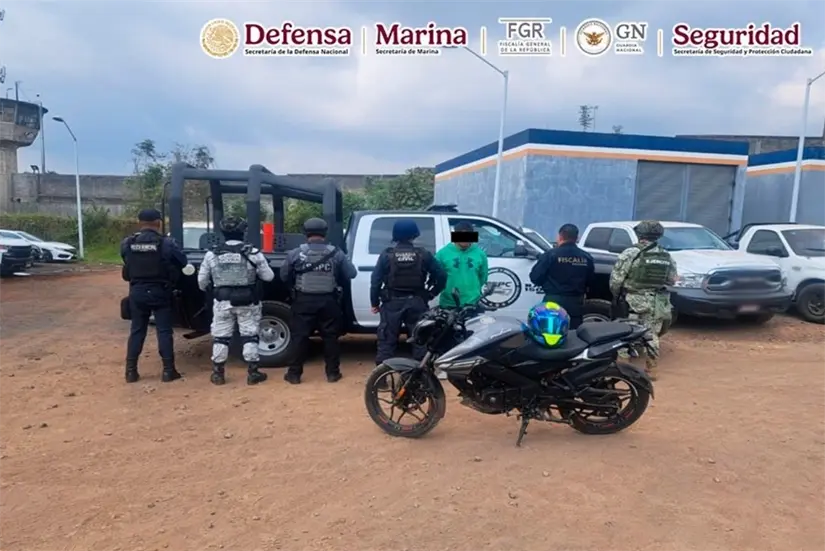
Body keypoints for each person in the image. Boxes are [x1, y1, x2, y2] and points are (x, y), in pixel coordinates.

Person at [197, 217, 275, 386]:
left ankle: (218, 373)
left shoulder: (212, 254)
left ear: (222, 233)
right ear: (243, 232)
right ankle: (253, 373)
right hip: (248, 301)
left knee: (221, 336)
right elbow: (269, 277)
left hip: (222, 302)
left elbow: (202, 282)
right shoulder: (253, 253)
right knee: (250, 335)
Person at [280, 217, 356, 384]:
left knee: (300, 337)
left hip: (303, 300)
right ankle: (333, 374)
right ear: (325, 232)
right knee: (330, 338)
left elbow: (284, 275)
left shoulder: (295, 253)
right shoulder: (336, 253)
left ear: (305, 233)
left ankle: (294, 375)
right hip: (328, 301)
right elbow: (351, 274)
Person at [121, 208, 188, 384]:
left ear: (140, 223)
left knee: (137, 331)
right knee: (164, 331)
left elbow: (126, 262)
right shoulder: (166, 243)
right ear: (158, 223)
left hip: (137, 292)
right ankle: (168, 371)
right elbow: (183, 262)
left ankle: (131, 372)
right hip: (160, 291)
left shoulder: (128, 243)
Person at [371, 219, 446, 366]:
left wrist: (374, 302)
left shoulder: (387, 255)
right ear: (414, 235)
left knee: (387, 340)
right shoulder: (423, 254)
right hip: (417, 302)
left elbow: (376, 281)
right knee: (420, 340)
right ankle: (423, 381)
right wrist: (430, 294)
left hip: (392, 302)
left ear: (395, 235)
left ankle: (381, 379)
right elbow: (442, 276)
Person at [609, 220, 677, 380]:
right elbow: (672, 280)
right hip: (657, 301)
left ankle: (623, 367)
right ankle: (652, 370)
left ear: (639, 234)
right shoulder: (666, 255)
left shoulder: (630, 253)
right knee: (651, 334)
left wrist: (616, 295)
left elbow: (616, 279)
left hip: (633, 299)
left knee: (624, 332)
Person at [529, 223, 594, 329]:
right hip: (575, 304)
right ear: (577, 238)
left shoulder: (550, 255)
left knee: (551, 334)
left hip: (553, 303)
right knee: (574, 336)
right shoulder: (586, 257)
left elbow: (535, 277)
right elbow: (591, 281)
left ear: (560, 236)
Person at [435, 221, 488, 312]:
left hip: (472, 303)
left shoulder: (480, 254)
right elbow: (436, 276)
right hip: (448, 304)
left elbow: (483, 277)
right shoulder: (442, 254)